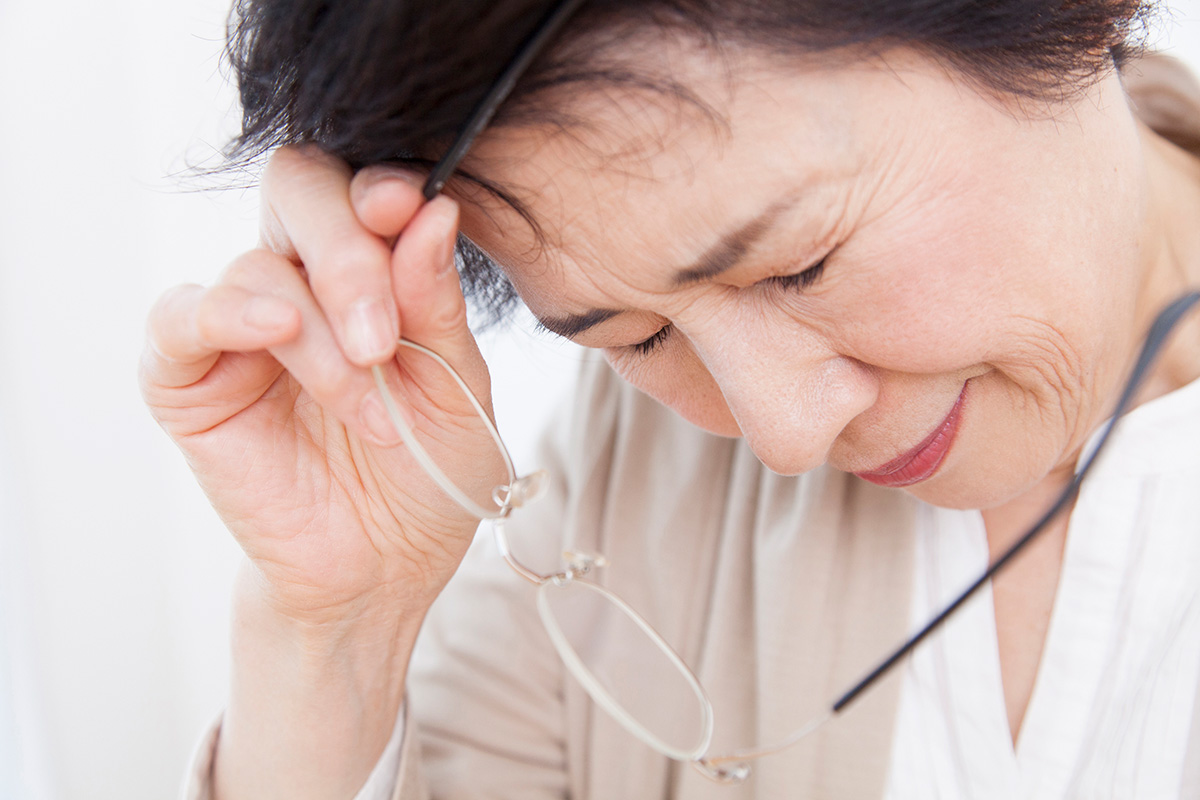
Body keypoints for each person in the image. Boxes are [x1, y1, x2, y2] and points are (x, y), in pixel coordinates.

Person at [139, 0, 1200, 797]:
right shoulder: (621, 477)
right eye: (637, 336)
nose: (783, 435)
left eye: (802, 264)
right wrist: (335, 633)